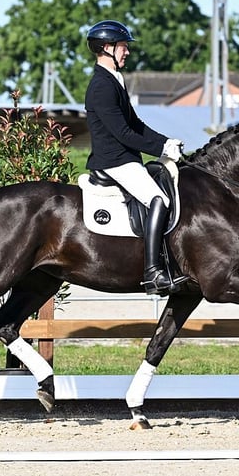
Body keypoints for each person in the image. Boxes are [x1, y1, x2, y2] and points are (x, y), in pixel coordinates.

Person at [84, 19, 187, 295]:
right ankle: (153, 272)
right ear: (106, 48)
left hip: (124, 158)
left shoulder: (114, 80)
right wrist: (160, 150)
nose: (127, 51)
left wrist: (165, 142)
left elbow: (136, 124)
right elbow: (123, 133)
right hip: (114, 160)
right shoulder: (101, 87)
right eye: (122, 46)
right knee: (159, 199)